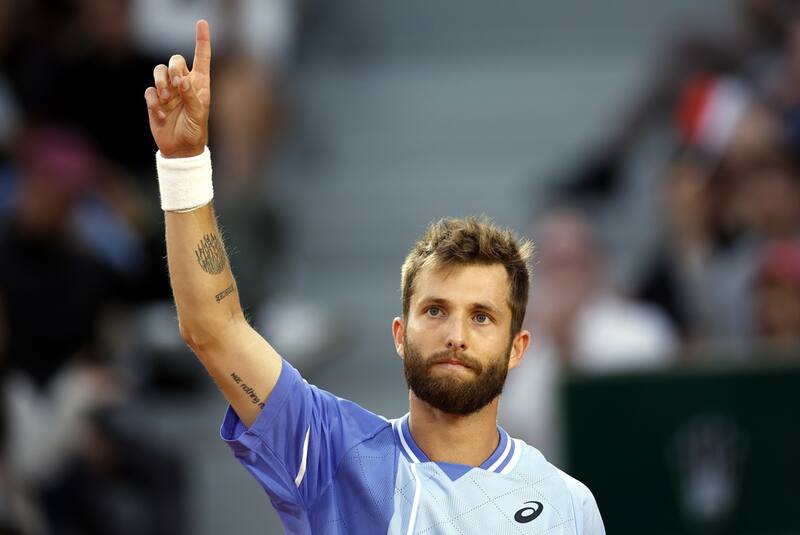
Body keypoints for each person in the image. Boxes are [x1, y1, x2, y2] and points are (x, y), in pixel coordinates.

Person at [143, 20, 605, 534]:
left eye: (481, 317)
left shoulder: (568, 506)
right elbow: (213, 328)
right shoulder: (331, 451)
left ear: (517, 347)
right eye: (436, 310)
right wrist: (183, 164)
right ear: (400, 334)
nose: (456, 335)